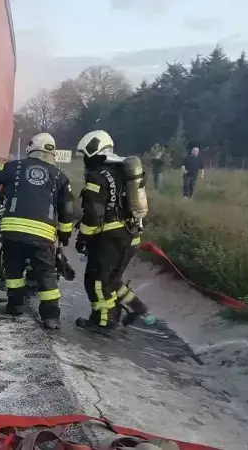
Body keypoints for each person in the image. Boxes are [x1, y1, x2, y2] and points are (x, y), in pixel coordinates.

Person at [0, 132, 74, 329]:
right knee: (46, 274)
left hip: (12, 231)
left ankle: (15, 306)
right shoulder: (60, 177)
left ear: (31, 148)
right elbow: (67, 210)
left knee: (13, 271)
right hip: (43, 235)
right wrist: (64, 236)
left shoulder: (15, 166)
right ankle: (51, 317)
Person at [74, 130, 150, 333]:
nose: (85, 160)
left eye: (85, 154)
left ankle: (104, 322)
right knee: (112, 279)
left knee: (97, 280)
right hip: (132, 235)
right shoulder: (121, 170)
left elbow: (93, 213)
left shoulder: (97, 176)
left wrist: (83, 237)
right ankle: (136, 307)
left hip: (110, 239)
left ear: (94, 152)